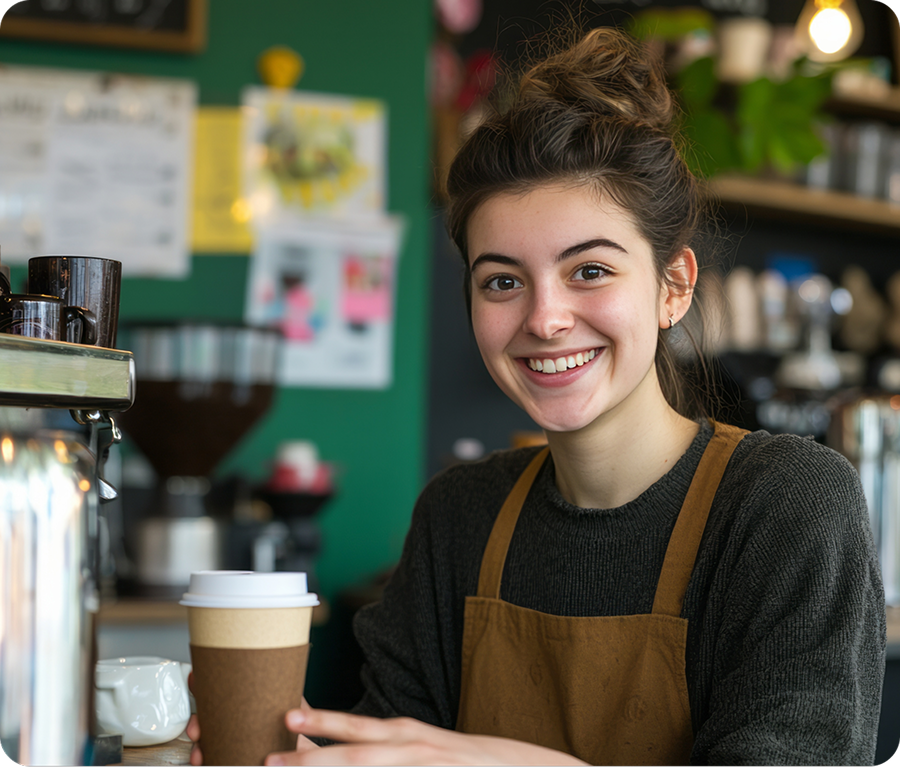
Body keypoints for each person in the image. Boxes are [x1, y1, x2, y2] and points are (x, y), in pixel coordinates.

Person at [188, 25, 886, 766]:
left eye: (589, 270)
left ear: (673, 287)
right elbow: (395, 748)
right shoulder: (460, 517)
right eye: (502, 281)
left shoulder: (788, 505)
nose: (544, 318)